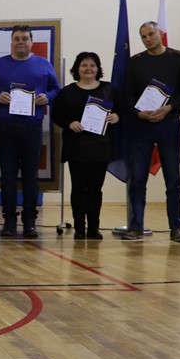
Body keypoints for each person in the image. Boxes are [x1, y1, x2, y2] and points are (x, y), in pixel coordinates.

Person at [0, 25, 61, 238]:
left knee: (30, 176)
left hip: (32, 128)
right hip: (7, 128)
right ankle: (9, 220)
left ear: (31, 41)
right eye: (17, 38)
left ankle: (30, 221)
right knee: (8, 176)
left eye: (25, 38)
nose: (21, 42)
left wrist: (47, 98)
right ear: (12, 41)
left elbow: (56, 89)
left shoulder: (43, 64)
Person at [122, 21, 180, 242]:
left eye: (151, 34)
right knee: (137, 179)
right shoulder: (135, 62)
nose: (148, 39)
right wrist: (139, 114)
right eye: (143, 36)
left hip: (168, 124)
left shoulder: (178, 58)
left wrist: (169, 108)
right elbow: (127, 96)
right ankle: (136, 226)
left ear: (160, 33)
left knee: (173, 179)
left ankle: (177, 228)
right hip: (141, 127)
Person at [51, 52, 121, 240]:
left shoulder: (109, 89)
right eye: (84, 65)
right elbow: (57, 115)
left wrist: (117, 116)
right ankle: (80, 228)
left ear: (98, 69)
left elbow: (121, 110)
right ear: (77, 69)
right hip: (77, 148)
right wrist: (69, 123)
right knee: (79, 188)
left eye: (92, 65)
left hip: (101, 148)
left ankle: (93, 228)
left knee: (95, 190)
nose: (88, 69)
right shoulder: (68, 91)